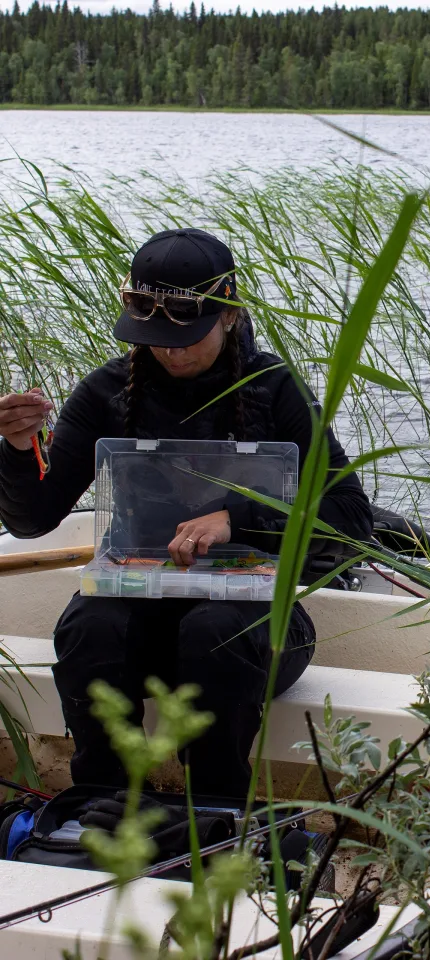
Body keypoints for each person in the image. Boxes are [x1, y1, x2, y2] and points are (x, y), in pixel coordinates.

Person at [0, 228, 373, 797]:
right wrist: (19, 450)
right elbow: (31, 521)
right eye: (153, 336)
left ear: (229, 313)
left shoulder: (276, 392)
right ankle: (101, 804)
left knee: (212, 631)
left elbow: (351, 517)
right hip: (143, 625)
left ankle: (217, 809)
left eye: (187, 334)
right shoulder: (106, 392)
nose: (171, 350)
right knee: (88, 625)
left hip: (257, 629)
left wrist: (238, 519)